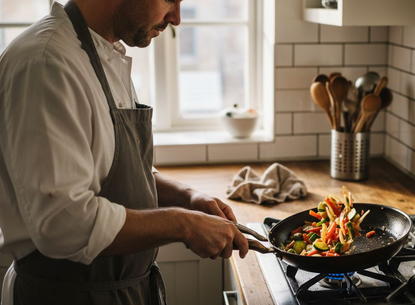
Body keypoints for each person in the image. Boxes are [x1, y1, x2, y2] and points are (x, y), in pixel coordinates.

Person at [0, 0, 249, 304]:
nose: (177, 17)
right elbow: (63, 223)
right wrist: (185, 225)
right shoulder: (47, 63)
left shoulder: (101, 54)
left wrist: (188, 197)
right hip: (68, 296)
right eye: (170, 0)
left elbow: (115, 169)